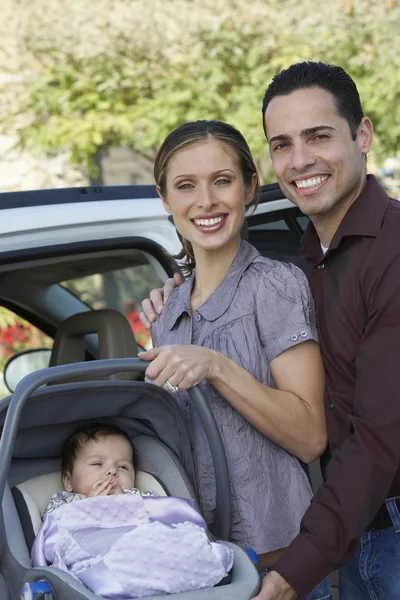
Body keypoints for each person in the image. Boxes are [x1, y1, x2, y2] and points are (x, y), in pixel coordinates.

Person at [141, 62, 400, 600]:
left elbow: (367, 439)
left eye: (319, 136)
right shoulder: (312, 263)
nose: (300, 159)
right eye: (282, 143)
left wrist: (293, 572)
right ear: (164, 199)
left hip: (367, 534)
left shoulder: (359, 263)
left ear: (364, 135)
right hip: (333, 538)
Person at [137, 119, 331, 600]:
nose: (205, 201)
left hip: (278, 572)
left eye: (222, 181)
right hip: (198, 577)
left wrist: (217, 366)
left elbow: (310, 436)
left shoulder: (276, 286)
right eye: (186, 186)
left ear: (249, 188)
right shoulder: (167, 312)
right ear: (165, 199)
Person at [32, 422, 233, 597]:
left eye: (123, 467)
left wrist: (126, 504)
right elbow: (57, 535)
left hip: (148, 551)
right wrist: (90, 507)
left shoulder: (138, 497)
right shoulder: (66, 502)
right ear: (68, 481)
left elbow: (164, 521)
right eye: (97, 463)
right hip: (99, 558)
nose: (112, 471)